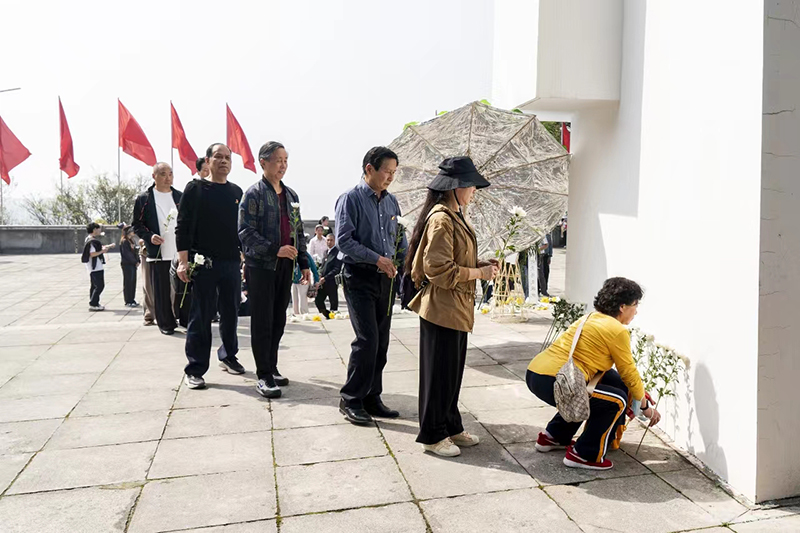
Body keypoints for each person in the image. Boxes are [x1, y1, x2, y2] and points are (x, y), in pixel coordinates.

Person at [406, 157, 499, 457]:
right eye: (470, 185)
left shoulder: (455, 216)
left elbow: (456, 259)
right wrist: (479, 273)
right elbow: (439, 270)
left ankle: (450, 425)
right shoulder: (442, 219)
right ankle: (433, 436)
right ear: (455, 187)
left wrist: (480, 264)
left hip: (456, 308)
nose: (474, 191)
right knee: (438, 375)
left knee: (451, 373)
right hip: (441, 309)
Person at [526, 277, 662, 470]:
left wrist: (639, 395)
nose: (636, 311)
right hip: (555, 380)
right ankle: (584, 454)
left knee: (602, 388)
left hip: (537, 373)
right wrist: (645, 407)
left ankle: (554, 436)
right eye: (635, 305)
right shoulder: (616, 330)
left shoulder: (589, 318)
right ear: (622, 307)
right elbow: (629, 372)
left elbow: (619, 376)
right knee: (616, 400)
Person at [335, 146, 407, 424]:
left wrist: (404, 264)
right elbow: (344, 240)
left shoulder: (392, 203)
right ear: (369, 169)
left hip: (385, 279)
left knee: (382, 342)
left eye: (393, 172)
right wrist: (377, 259)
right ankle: (351, 398)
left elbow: (399, 238)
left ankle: (372, 396)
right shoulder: (350, 199)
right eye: (387, 171)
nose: (390, 177)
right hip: (359, 276)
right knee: (367, 340)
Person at [239, 141, 310, 398]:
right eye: (278, 160)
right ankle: (263, 375)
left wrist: (304, 263)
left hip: (285, 266)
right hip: (261, 266)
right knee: (263, 320)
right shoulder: (253, 194)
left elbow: (298, 232)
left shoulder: (291, 196)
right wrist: (274, 249)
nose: (283, 165)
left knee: (279, 318)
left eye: (285, 160)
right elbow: (245, 232)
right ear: (263, 162)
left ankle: (272, 365)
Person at [176, 143, 246, 390]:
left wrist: (243, 257)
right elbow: (183, 226)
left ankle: (228, 355)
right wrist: (183, 262)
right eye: (218, 156)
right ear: (207, 161)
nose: (223, 161)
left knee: (231, 312)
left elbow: (240, 229)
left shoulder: (236, 191)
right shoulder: (195, 189)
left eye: (227, 157)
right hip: (203, 263)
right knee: (201, 315)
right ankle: (195, 368)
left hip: (231, 262)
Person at [132, 162, 182, 335]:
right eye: (163, 174)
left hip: (180, 250)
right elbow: (137, 225)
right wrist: (150, 236)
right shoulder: (144, 199)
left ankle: (184, 318)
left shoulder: (180, 196)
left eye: (170, 174)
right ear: (154, 176)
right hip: (158, 252)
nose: (168, 178)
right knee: (161, 290)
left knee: (182, 288)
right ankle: (166, 324)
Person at [81, 222, 114, 311]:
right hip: (95, 266)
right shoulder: (91, 241)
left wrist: (107, 247)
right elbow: (92, 254)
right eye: (98, 228)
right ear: (94, 230)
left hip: (94, 266)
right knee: (99, 285)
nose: (100, 230)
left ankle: (94, 303)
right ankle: (93, 303)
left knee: (94, 285)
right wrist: (102, 251)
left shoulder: (89, 239)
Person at [315, 233, 342, 317]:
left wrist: (326, 278)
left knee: (333, 302)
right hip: (323, 281)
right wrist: (319, 273)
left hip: (331, 281)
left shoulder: (337, 252)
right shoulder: (326, 252)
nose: (329, 242)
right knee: (318, 300)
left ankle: (333, 315)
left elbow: (337, 269)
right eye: (328, 240)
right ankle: (327, 314)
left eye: (331, 240)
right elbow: (323, 265)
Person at [119, 225, 140, 307]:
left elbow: (135, 251)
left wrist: (137, 260)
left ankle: (132, 299)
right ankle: (128, 300)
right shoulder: (124, 241)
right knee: (128, 282)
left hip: (132, 264)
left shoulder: (131, 241)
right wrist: (134, 261)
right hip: (127, 264)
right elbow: (127, 254)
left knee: (133, 282)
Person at [139, 241, 155, 325]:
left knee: (169, 286)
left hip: (167, 250)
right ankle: (149, 314)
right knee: (147, 285)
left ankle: (170, 314)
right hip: (147, 250)